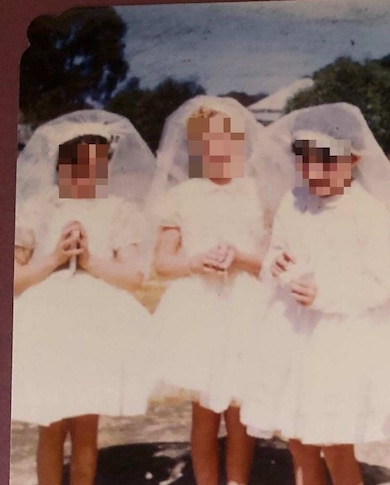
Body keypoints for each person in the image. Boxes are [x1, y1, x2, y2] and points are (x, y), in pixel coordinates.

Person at [241, 103, 390, 485]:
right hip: (293, 332)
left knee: (336, 441)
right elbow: (277, 249)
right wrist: (276, 264)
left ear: (352, 159)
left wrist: (325, 293)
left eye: (327, 163)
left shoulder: (367, 212)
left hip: (341, 340)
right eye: (305, 163)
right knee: (298, 439)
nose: (315, 173)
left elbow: (378, 284)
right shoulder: (294, 201)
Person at [13, 110, 156, 485]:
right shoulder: (36, 210)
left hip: (96, 327)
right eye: (75, 165)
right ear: (59, 164)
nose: (85, 175)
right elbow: (12, 279)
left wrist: (90, 259)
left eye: (96, 166)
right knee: (51, 424)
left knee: (86, 424)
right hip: (48, 324)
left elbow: (134, 276)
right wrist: (56, 258)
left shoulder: (117, 211)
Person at [149, 96, 286, 485]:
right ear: (196, 146)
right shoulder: (182, 196)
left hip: (248, 306)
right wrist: (196, 262)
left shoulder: (259, 193)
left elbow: (274, 260)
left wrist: (241, 257)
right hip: (201, 310)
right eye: (206, 141)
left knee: (241, 409)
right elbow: (162, 262)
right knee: (205, 410)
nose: (217, 148)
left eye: (225, 139)